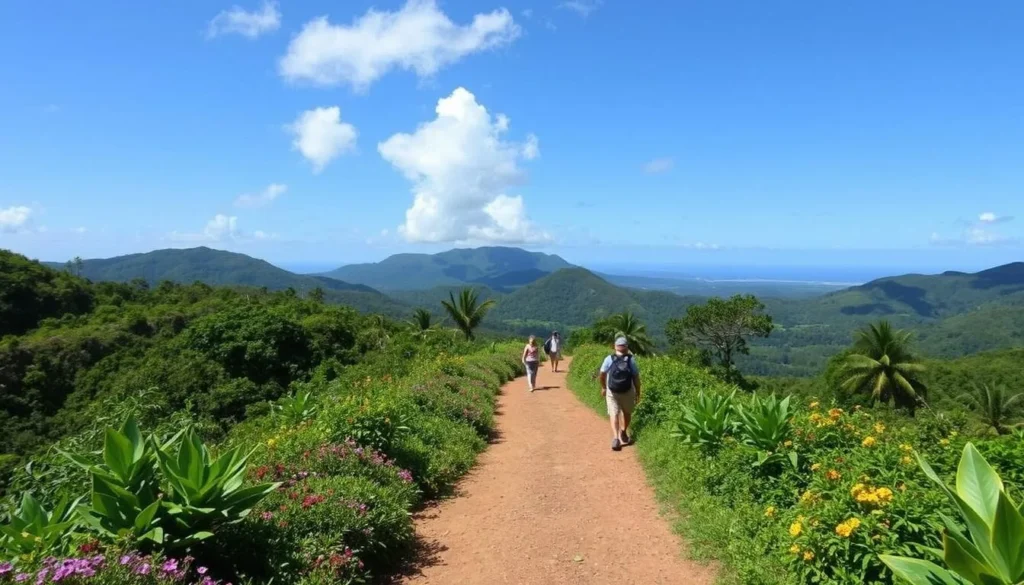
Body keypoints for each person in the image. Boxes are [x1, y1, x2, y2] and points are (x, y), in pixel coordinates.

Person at [598, 336, 641, 451]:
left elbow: (602, 375)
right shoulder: (630, 360)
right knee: (627, 413)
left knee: (614, 413)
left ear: (615, 347)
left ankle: (616, 438)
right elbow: (636, 378)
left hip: (612, 391)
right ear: (626, 347)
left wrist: (603, 387)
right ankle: (623, 432)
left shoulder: (609, 359)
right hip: (627, 391)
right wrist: (638, 392)